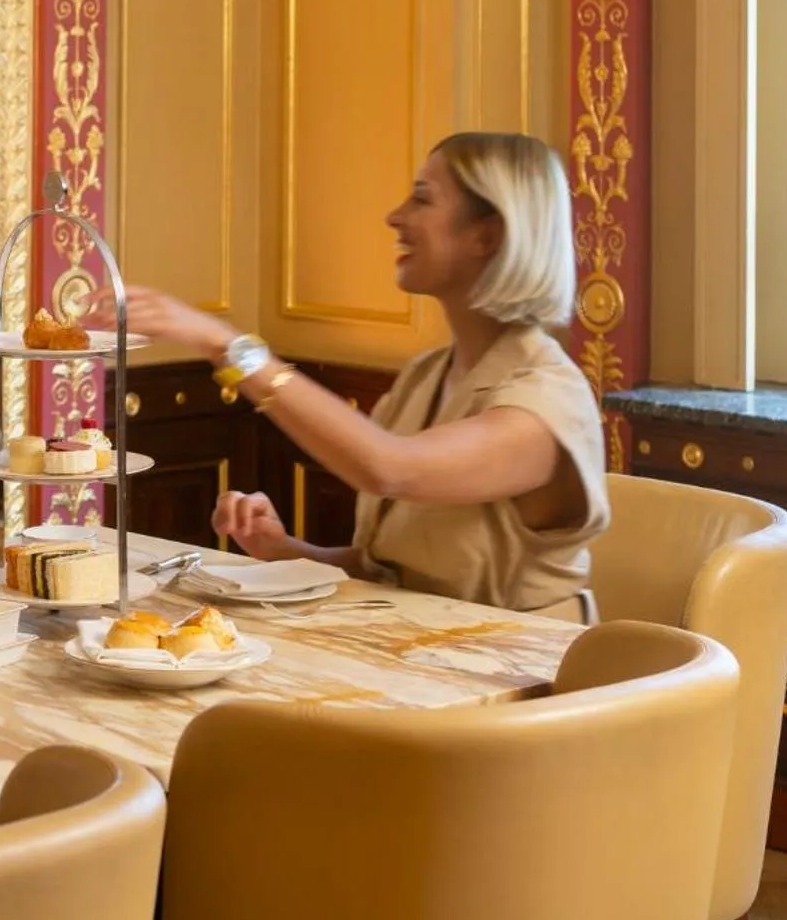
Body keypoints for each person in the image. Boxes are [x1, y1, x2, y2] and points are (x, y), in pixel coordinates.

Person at [86, 132, 606, 620]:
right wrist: (284, 549)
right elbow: (392, 574)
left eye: (422, 199)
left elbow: (389, 468)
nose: (394, 217)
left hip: (524, 685)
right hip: (420, 655)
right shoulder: (429, 376)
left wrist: (224, 343)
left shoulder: (545, 401)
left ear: (487, 234)